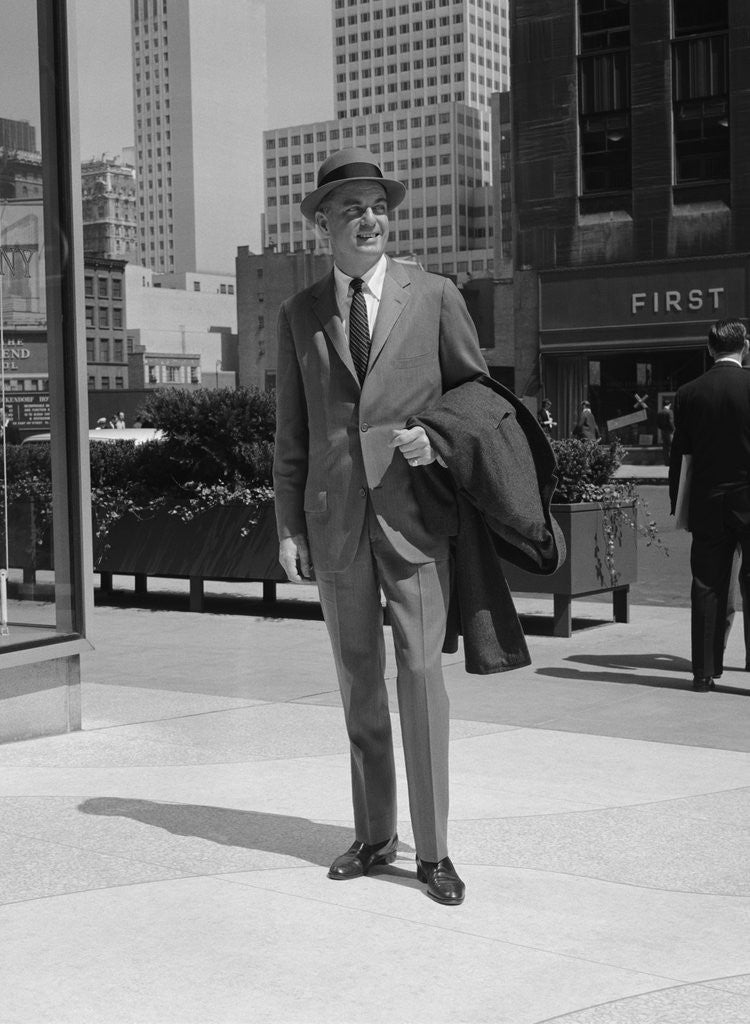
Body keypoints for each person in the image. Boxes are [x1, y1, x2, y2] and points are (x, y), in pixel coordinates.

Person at [273, 148, 488, 906]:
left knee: (422, 677)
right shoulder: (299, 314)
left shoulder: (433, 295)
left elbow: (478, 397)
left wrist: (439, 436)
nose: (370, 218)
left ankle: (434, 853)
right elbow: (292, 435)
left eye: (378, 206)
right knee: (358, 683)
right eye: (353, 207)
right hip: (334, 527)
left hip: (415, 518)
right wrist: (288, 527)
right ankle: (374, 834)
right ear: (324, 224)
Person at [668, 318, 750, 691]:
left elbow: (680, 455)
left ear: (709, 349)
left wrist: (677, 504)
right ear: (744, 346)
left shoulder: (688, 392)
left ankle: (703, 672)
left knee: (706, 584)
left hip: (708, 502)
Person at [656, 400, 674, 466]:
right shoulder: (670, 412)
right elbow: (671, 422)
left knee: (665, 447)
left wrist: (662, 428)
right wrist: (673, 429)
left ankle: (666, 462)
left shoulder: (660, 412)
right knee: (671, 446)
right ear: (669, 404)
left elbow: (658, 423)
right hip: (669, 432)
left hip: (663, 431)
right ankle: (671, 462)